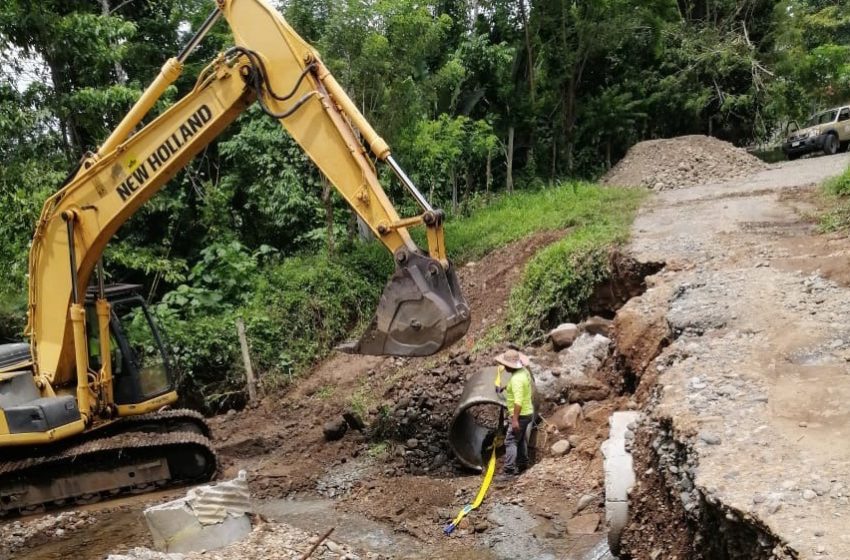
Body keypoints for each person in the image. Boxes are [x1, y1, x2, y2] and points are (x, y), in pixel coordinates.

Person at [495, 349, 534, 478]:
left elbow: (518, 402)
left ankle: (509, 471)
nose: (504, 367)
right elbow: (520, 387)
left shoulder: (517, 379)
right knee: (520, 437)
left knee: (510, 441)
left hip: (521, 415)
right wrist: (505, 387)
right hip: (528, 412)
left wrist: (515, 419)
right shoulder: (523, 372)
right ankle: (522, 463)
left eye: (506, 365)